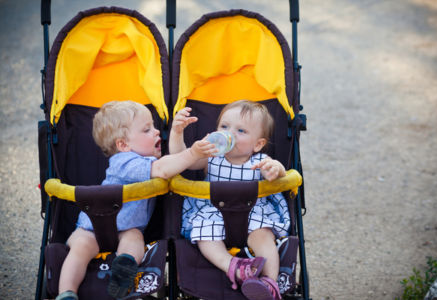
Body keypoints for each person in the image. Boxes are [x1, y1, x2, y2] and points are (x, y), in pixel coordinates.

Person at [56, 101, 216, 300]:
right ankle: (67, 292)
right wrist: (193, 153)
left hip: (128, 229)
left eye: (154, 127)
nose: (157, 132)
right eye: (147, 129)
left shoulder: (144, 161)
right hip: (92, 227)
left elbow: (167, 164)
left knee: (134, 242)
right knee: (80, 249)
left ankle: (124, 270)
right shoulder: (124, 163)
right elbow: (163, 169)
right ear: (123, 145)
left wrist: (179, 137)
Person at [169, 100, 290, 300]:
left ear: (258, 144)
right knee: (204, 235)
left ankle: (269, 282)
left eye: (241, 130)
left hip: (253, 212)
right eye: (224, 127)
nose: (229, 134)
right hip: (214, 212)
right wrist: (177, 132)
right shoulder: (211, 157)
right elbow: (181, 159)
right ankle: (234, 267)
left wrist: (275, 169)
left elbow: (278, 173)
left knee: (263, 237)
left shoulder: (260, 162)